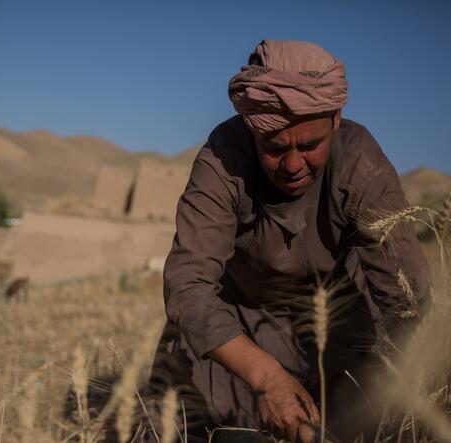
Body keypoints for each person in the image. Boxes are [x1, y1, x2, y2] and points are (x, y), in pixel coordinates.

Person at [136, 40, 431, 443]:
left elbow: (407, 296)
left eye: (311, 146)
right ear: (252, 131)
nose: (293, 165)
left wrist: (404, 383)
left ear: (336, 119)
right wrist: (266, 376)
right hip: (237, 325)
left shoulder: (362, 163)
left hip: (337, 322)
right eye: (275, 148)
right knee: (177, 429)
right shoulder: (222, 159)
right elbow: (188, 286)